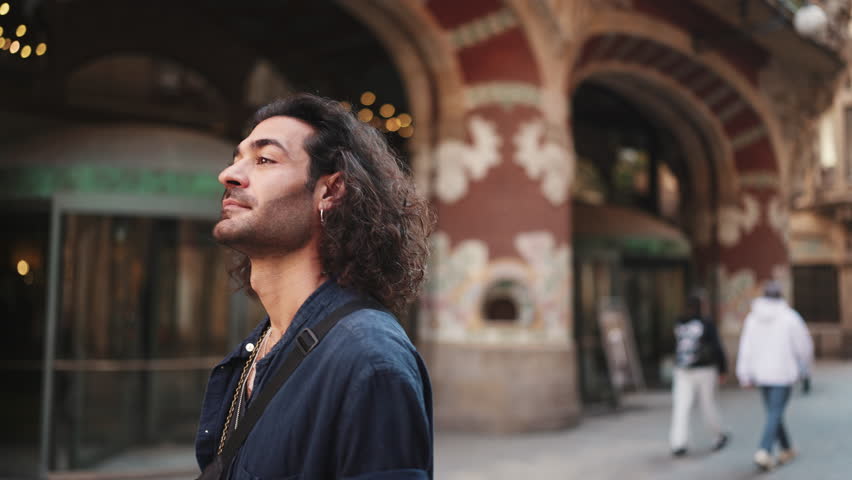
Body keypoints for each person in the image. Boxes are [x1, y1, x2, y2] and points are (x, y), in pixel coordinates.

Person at [195, 93, 435, 479]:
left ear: (330, 190)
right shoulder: (257, 350)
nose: (230, 174)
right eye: (237, 158)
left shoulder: (369, 360)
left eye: (264, 159)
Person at [736, 280, 813, 471]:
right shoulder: (789, 318)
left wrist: (744, 373)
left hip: (761, 373)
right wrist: (805, 366)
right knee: (775, 412)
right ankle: (764, 450)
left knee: (773, 411)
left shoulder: (752, 319)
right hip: (783, 372)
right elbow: (803, 345)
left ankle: (787, 448)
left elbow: (746, 347)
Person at [669, 291, 729, 457]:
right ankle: (718, 435)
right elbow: (717, 347)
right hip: (704, 369)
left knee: (681, 406)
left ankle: (678, 442)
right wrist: (723, 369)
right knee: (707, 403)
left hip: (682, 369)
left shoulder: (679, 322)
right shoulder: (706, 323)